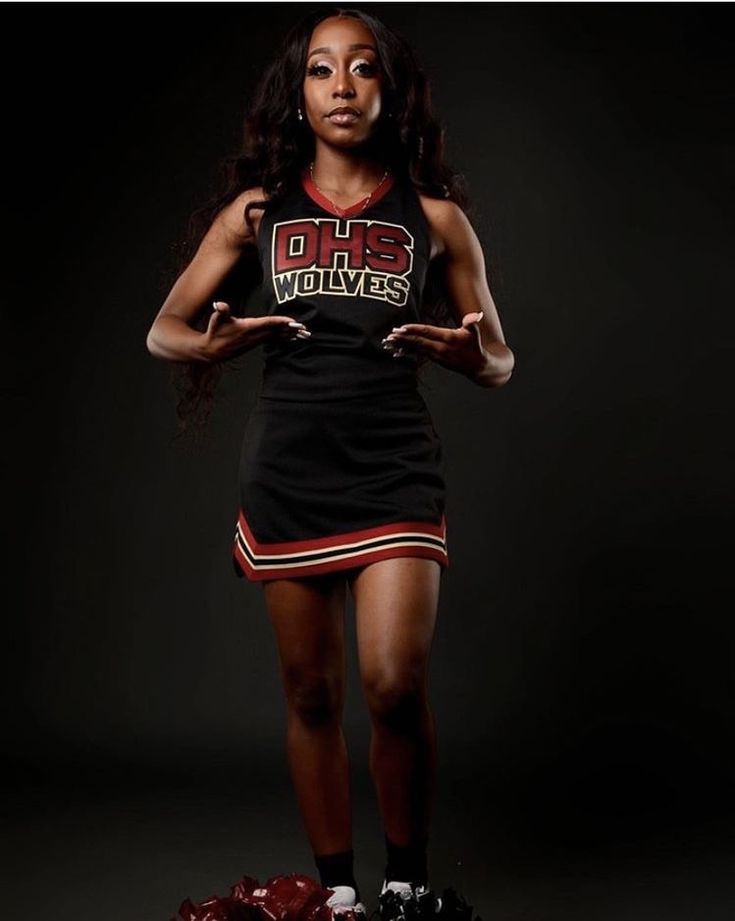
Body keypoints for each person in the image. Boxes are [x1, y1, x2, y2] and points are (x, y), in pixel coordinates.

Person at [147, 6, 514, 920]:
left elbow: (501, 359)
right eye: (321, 70)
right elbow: (164, 330)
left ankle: (404, 881)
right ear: (297, 94)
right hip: (289, 470)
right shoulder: (259, 213)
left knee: (392, 682)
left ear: (389, 92)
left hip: (393, 467)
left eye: (361, 69)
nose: (342, 85)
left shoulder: (436, 219)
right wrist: (218, 347)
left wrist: (463, 355)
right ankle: (341, 892)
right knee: (312, 691)